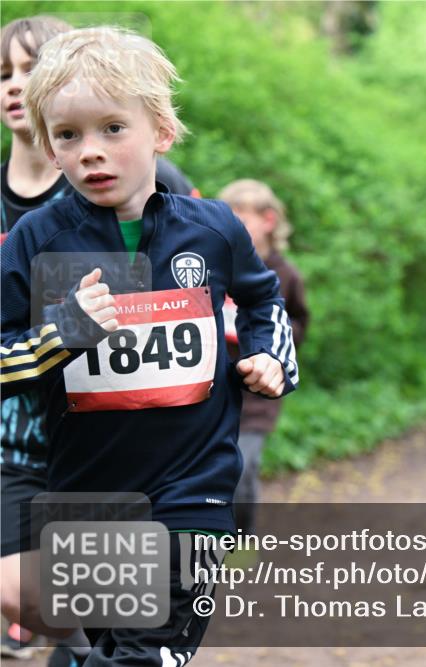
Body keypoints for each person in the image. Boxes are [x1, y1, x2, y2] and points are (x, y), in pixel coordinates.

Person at [1, 26, 297, 662]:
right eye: (69, 135)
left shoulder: (214, 228)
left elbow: (266, 301)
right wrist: (63, 336)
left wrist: (269, 356)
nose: (91, 152)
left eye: (113, 128)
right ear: (50, 147)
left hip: (194, 488)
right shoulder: (36, 241)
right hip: (89, 493)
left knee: (145, 653)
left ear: (161, 132)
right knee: (103, 649)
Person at [0, 17, 198, 665]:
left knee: (117, 618)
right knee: (25, 593)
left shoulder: (134, 184)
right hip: (15, 439)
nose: (16, 86)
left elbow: (190, 302)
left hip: (113, 442)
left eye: (30, 70)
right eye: (4, 73)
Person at [218, 179, 309, 536]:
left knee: (242, 468)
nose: (232, 222)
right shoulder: (214, 266)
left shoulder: (285, 275)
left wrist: (268, 333)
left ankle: (242, 539)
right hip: (214, 388)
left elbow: (300, 323)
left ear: (268, 219)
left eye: (241, 215)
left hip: (259, 393)